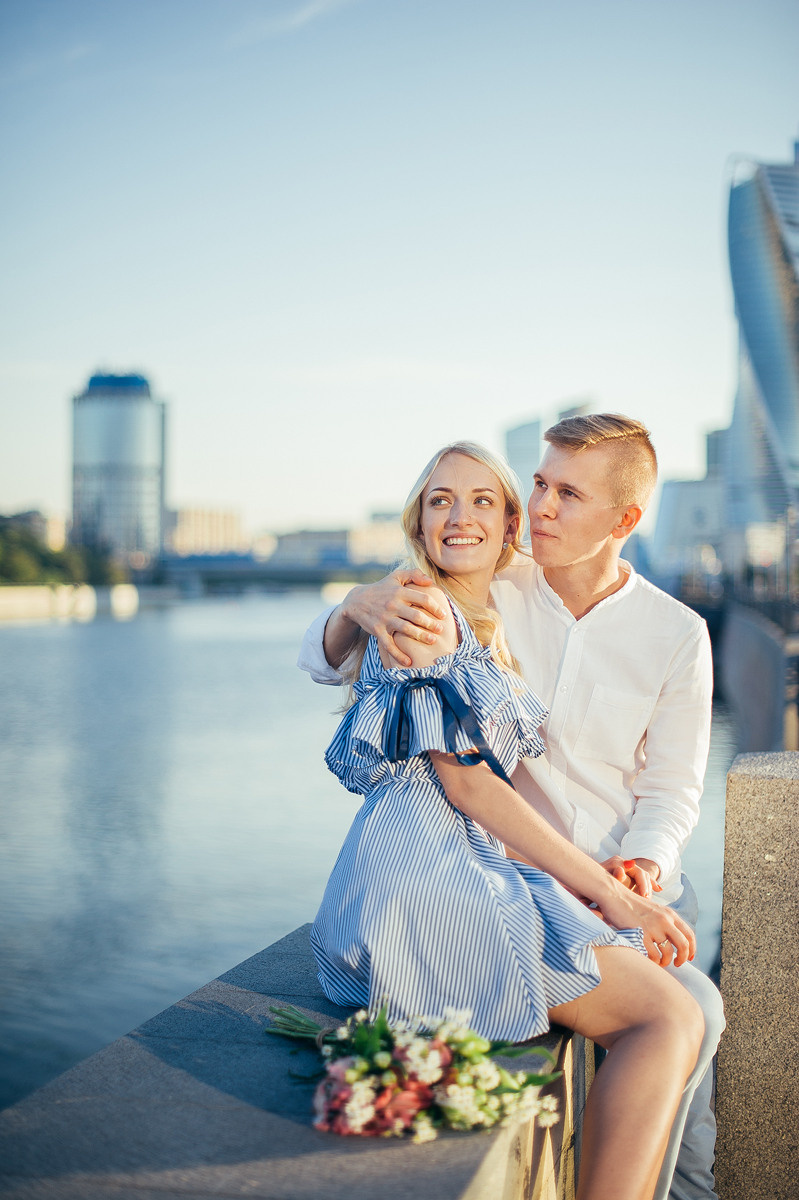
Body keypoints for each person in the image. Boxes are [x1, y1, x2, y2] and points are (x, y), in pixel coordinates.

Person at [299, 416, 724, 1200]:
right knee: (677, 1013)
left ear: (624, 522)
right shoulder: (470, 586)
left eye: (566, 493)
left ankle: (682, 1185)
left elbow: (672, 789)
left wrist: (639, 870)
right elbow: (454, 768)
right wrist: (355, 603)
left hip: (609, 866)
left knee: (696, 1011)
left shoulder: (677, 632)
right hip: (485, 863)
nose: (541, 507)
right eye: (537, 484)